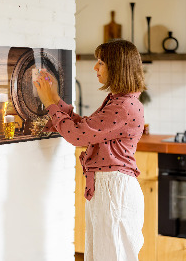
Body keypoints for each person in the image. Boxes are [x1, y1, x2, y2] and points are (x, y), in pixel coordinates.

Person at [34, 39, 146, 261]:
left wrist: (49, 103)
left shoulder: (123, 106)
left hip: (114, 191)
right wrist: (55, 99)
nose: (95, 67)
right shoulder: (119, 101)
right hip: (109, 188)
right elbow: (85, 128)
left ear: (117, 67)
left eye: (101, 62)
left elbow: (77, 136)